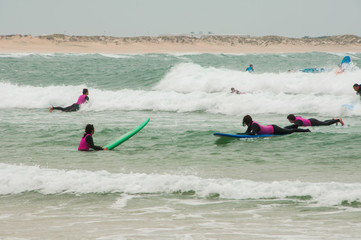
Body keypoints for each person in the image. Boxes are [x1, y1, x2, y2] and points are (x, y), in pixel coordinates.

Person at [242, 115, 310, 135]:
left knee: (290, 131)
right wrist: (241, 134)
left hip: (274, 129)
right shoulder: (250, 125)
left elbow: (253, 133)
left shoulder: (254, 125)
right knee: (287, 130)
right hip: (270, 128)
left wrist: (245, 134)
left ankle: (306, 130)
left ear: (247, 121)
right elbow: (247, 132)